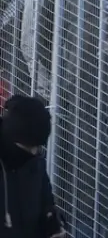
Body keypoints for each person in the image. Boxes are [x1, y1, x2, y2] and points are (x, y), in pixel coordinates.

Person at [0, 95, 65, 237]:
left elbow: (46, 204)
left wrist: (53, 224)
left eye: (38, 147)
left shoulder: (35, 164)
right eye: (29, 147)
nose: (34, 152)